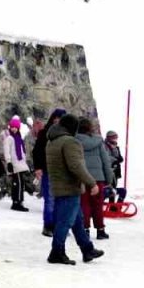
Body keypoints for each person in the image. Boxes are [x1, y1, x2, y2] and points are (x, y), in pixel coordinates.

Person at [45, 114, 104, 265]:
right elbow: (76, 166)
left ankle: (87, 249)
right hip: (70, 188)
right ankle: (56, 252)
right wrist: (92, 183)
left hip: (58, 187)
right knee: (64, 222)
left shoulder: (52, 142)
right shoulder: (70, 142)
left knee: (77, 221)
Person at [76, 118, 114, 240]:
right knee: (97, 204)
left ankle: (85, 229)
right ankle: (100, 230)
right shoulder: (98, 142)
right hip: (98, 178)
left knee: (84, 204)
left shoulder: (75, 141)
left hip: (82, 177)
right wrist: (109, 179)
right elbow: (105, 161)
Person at [33, 108, 67, 235]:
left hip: (63, 172)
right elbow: (37, 151)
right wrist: (38, 168)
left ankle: (59, 226)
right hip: (49, 169)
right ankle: (48, 226)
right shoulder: (44, 133)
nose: (58, 121)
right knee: (50, 199)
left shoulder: (66, 135)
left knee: (61, 200)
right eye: (56, 118)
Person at [0, 115, 31, 211]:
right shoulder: (9, 138)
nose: (14, 129)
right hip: (14, 165)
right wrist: (8, 162)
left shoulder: (19, 139)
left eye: (16, 127)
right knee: (18, 183)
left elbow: (22, 153)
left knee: (20, 184)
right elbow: (6, 151)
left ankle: (19, 201)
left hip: (20, 165)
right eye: (12, 127)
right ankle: (16, 202)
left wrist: (25, 164)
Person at [104, 130, 126, 204]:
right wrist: (115, 160)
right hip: (109, 170)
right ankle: (111, 205)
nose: (115, 139)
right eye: (114, 137)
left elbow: (118, 156)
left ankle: (114, 206)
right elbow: (106, 157)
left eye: (116, 138)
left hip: (115, 170)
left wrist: (118, 158)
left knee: (114, 185)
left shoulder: (115, 146)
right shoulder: (104, 146)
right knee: (110, 187)